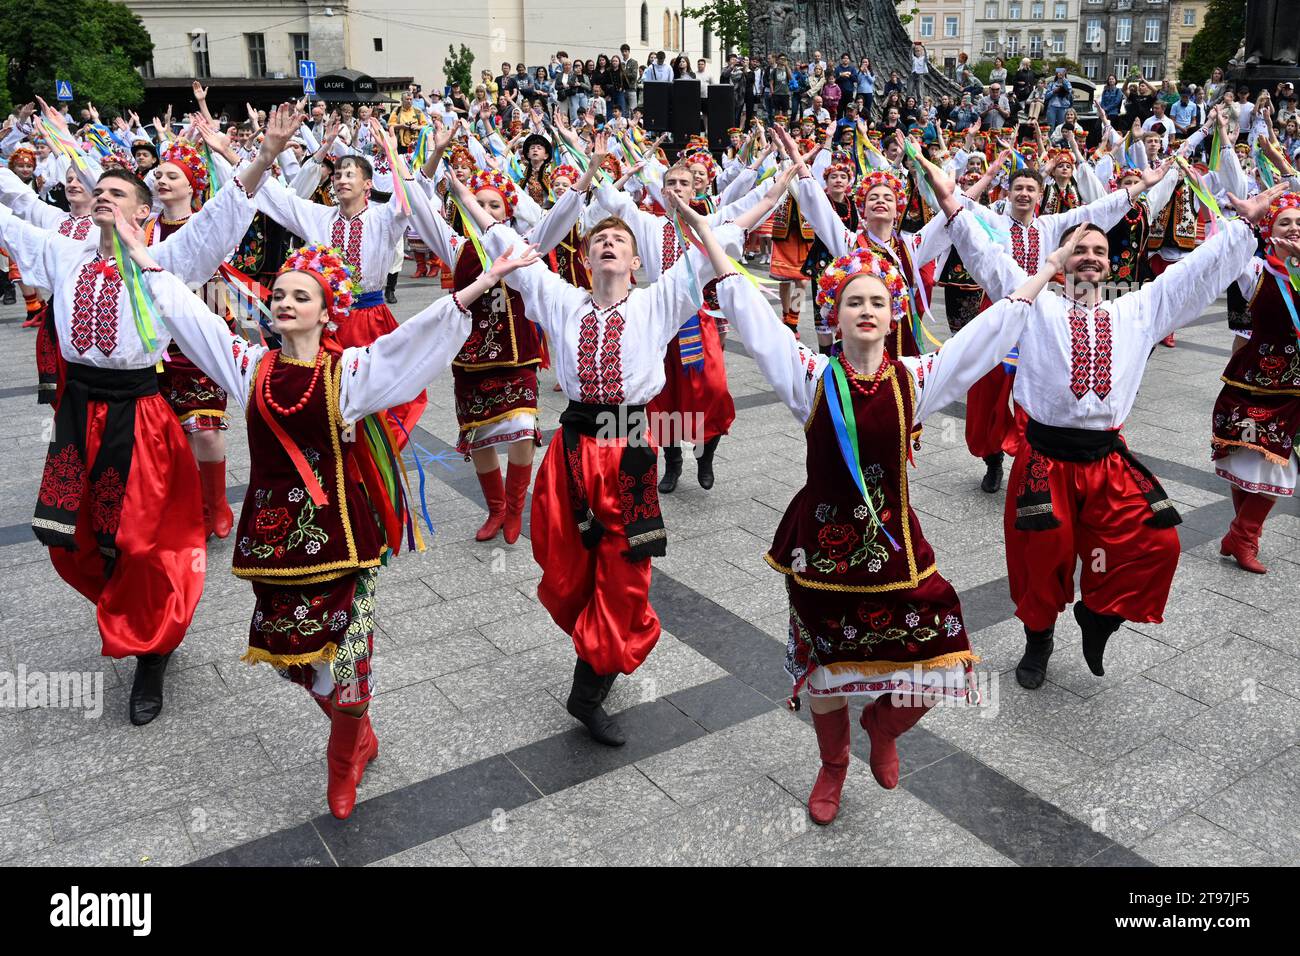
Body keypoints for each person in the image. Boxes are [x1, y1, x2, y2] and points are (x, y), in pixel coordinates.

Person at [118, 220, 538, 817]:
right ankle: (357, 733)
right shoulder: (251, 367)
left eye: (301, 296)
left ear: (326, 311)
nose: (285, 303)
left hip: (346, 543)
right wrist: (148, 262)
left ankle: (344, 762)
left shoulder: (352, 374)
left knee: (347, 670)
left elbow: (414, 340)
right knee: (295, 657)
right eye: (280, 294)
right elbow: (195, 320)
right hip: (275, 548)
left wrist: (483, 283)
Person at [712, 184, 1074, 825]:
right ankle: (833, 764)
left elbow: (982, 338)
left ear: (895, 310)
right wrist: (712, 250)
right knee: (824, 666)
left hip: (895, 548)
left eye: (878, 300)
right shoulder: (810, 377)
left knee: (941, 651)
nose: (867, 310)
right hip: (822, 551)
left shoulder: (913, 379)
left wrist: (1045, 270)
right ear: (837, 314)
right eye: (854, 301)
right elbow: (755, 319)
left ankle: (885, 724)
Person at [931, 157, 1281, 689]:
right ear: (1062, 258)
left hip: (1106, 459)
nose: (1090, 257)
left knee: (1154, 544)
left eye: (1099, 250)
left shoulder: (1136, 311)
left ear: (1111, 262)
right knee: (1040, 559)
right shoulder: (1036, 306)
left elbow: (1193, 274)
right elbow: (990, 261)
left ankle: (1098, 617)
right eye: (1080, 249)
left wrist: (1243, 226)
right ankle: (1038, 639)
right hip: (1043, 459)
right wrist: (952, 202)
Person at [0, 104, 298, 725]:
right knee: (77, 535)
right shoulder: (65, 252)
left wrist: (265, 155)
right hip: (77, 411)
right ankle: (126, 610)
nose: (101, 196)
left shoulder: (167, 256)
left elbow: (221, 217)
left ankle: (152, 650)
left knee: (140, 540)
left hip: (138, 412)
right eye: (97, 190)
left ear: (142, 212)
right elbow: (10, 215)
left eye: (117, 192)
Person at [251, 118, 428, 442]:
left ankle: (371, 459)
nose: (341, 179)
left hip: (370, 319)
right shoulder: (319, 216)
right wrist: (244, 158)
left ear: (367, 185)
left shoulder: (383, 217)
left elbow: (410, 199)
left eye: (350, 174)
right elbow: (276, 197)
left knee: (378, 397)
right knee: (324, 393)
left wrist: (391, 152)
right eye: (337, 175)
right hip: (326, 322)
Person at [1211, 191, 1300, 572]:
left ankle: (1242, 534)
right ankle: (1244, 537)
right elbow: (1221, 251)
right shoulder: (1255, 272)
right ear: (1269, 230)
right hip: (1253, 380)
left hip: (1295, 389)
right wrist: (1246, 223)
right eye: (1285, 222)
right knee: (1246, 457)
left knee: (1281, 463)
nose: (1294, 229)